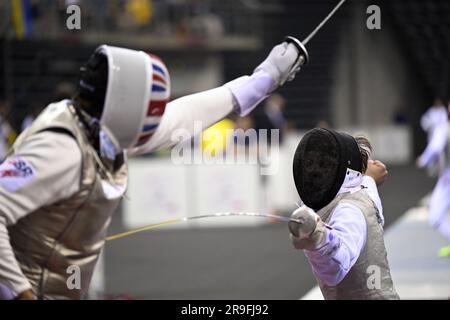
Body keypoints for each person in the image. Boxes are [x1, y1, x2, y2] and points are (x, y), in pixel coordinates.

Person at [0, 40, 304, 300]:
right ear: (124, 108)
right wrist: (19, 292)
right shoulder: (61, 150)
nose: (152, 122)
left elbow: (185, 114)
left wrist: (265, 77)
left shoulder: (101, 127)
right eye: (145, 112)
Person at [288, 128, 399, 299]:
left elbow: (338, 265)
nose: (314, 171)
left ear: (345, 171)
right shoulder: (360, 191)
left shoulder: (350, 210)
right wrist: (368, 178)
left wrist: (321, 238)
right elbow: (364, 186)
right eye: (310, 163)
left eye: (324, 164)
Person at [417, 101, 450, 258]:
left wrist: (423, 160)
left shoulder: (443, 129)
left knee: (435, 217)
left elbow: (435, 148)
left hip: (448, 179)